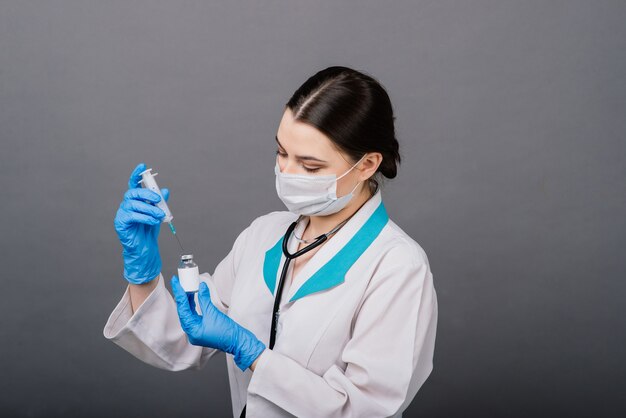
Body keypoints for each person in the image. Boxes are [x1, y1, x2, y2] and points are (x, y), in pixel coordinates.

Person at [103, 66, 438, 418]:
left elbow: (364, 410)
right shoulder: (264, 235)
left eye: (310, 167)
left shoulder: (397, 267)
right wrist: (142, 274)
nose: (288, 174)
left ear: (368, 164)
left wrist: (253, 354)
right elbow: (183, 342)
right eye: (282, 154)